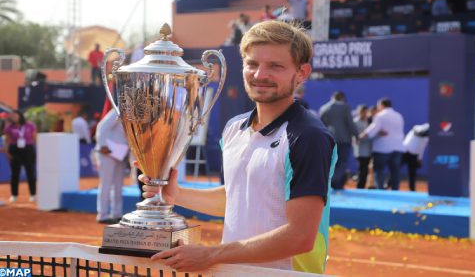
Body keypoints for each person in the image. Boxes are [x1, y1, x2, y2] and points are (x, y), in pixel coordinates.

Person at [140, 20, 336, 273]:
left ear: (302, 73)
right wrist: (176, 194)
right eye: (252, 64)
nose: (260, 75)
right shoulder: (235, 128)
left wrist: (211, 254)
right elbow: (236, 198)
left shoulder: (309, 136)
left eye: (275, 66)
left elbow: (300, 236)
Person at [359, 98, 405, 190]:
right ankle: (395, 191)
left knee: (378, 171)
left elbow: (372, 129)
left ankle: (380, 191)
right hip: (398, 148)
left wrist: (361, 136)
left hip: (382, 149)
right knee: (395, 172)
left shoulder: (380, 116)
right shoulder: (399, 116)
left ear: (382, 105)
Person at [95, 109, 129, 224]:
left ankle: (117, 214)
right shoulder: (119, 110)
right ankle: (102, 214)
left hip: (121, 153)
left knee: (118, 185)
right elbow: (102, 126)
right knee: (106, 184)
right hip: (107, 151)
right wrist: (103, 145)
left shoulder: (137, 113)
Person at [319, 91, 358, 190]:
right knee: (342, 163)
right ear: (342, 98)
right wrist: (356, 136)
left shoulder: (324, 108)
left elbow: (320, 125)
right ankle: (333, 181)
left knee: (330, 163)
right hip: (343, 140)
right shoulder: (345, 107)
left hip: (328, 139)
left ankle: (336, 185)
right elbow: (350, 123)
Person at [3, 110, 37, 203]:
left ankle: (33, 194)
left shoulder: (30, 125)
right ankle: (14, 195)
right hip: (15, 150)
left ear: (20, 116)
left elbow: (34, 138)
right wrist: (7, 152)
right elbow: (7, 140)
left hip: (28, 149)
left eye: (15, 115)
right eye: (12, 116)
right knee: (15, 174)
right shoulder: (9, 127)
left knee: (30, 172)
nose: (13, 117)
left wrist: (35, 150)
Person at [402, 123, 429, 191]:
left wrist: (419, 158)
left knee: (412, 174)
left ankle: (412, 190)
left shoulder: (426, 137)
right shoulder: (416, 128)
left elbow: (422, 147)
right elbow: (419, 131)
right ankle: (388, 184)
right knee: (395, 170)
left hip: (414, 155)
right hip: (405, 152)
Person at [353, 105, 372, 189]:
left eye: (365, 112)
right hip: (360, 150)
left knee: (366, 169)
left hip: (369, 149)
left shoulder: (370, 122)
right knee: (362, 169)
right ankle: (360, 186)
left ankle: (363, 185)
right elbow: (354, 136)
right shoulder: (355, 122)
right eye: (362, 112)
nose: (364, 114)